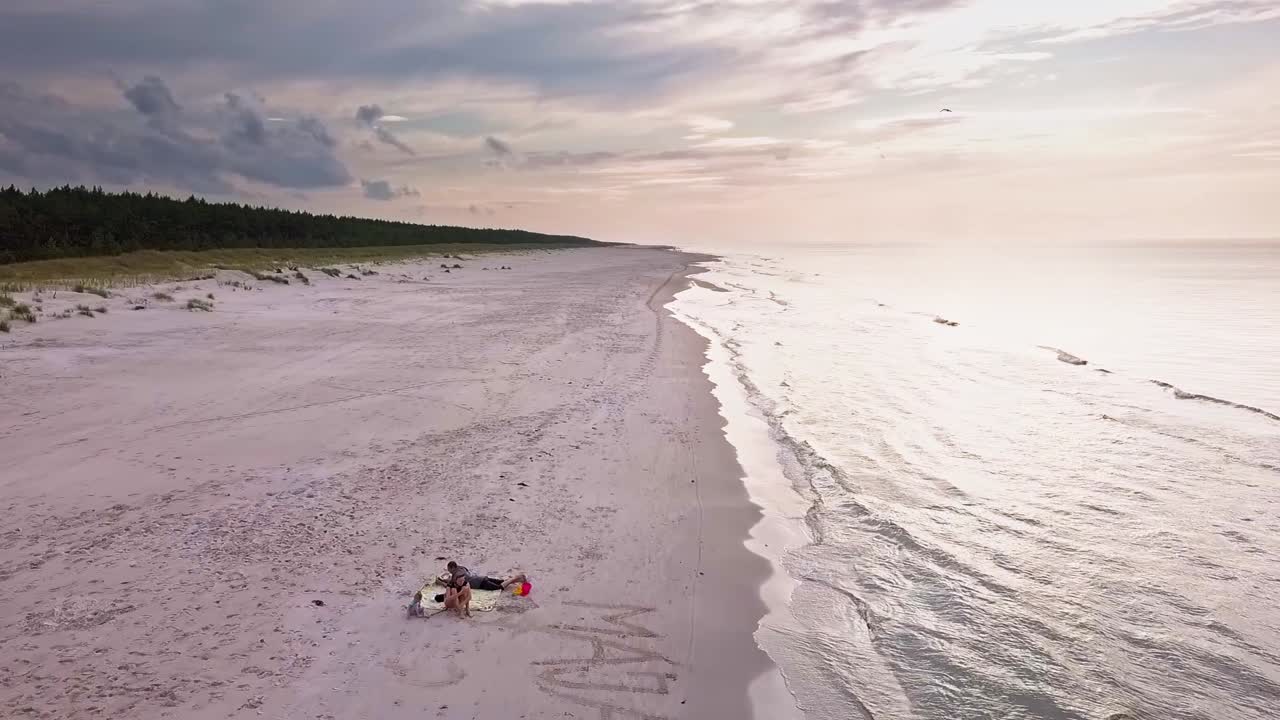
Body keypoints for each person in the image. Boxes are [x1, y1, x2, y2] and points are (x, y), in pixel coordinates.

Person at [446, 560, 528, 592]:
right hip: (481, 578)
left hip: (480, 583)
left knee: (499, 587)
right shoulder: (461, 567)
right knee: (501, 581)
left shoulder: (456, 575)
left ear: (452, 568)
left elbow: (454, 584)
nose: (448, 571)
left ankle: (516, 577)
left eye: (449, 569)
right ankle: (520, 579)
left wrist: (446, 581)